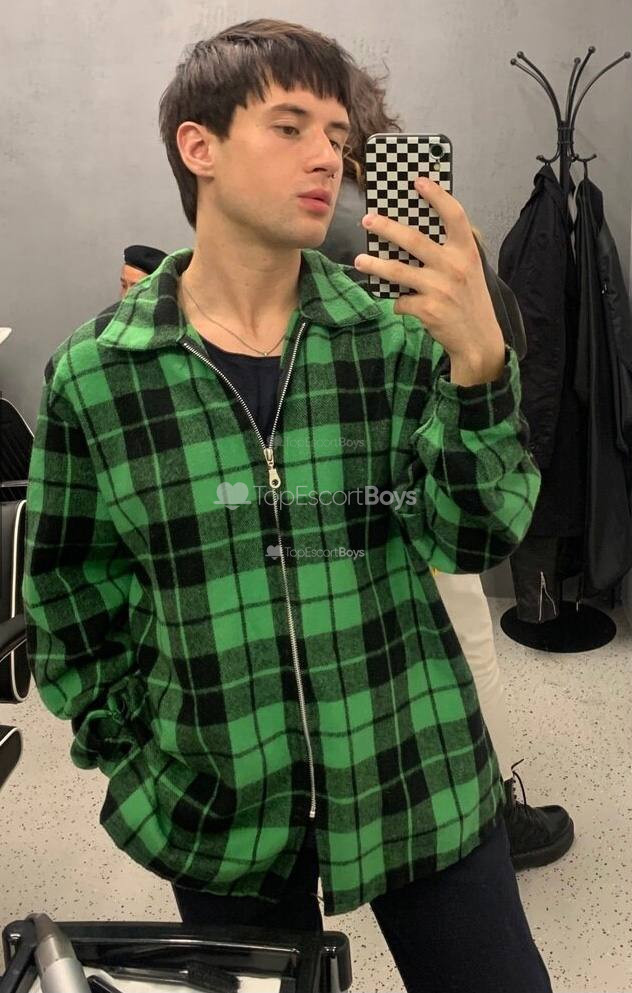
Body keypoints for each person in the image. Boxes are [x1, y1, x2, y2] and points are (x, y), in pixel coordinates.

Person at [22, 20, 552, 992]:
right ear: (199, 145)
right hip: (219, 796)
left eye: (338, 136)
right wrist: (143, 751)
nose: (327, 156)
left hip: (414, 761)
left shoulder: (389, 340)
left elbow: (471, 535)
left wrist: (480, 369)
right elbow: (69, 594)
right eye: (290, 125)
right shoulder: (100, 376)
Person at [322, 63, 574, 873]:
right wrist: (470, 269)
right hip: (416, 464)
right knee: (464, 644)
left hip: (322, 478)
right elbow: (502, 338)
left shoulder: (283, 222)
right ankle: (488, 818)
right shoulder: (376, 219)